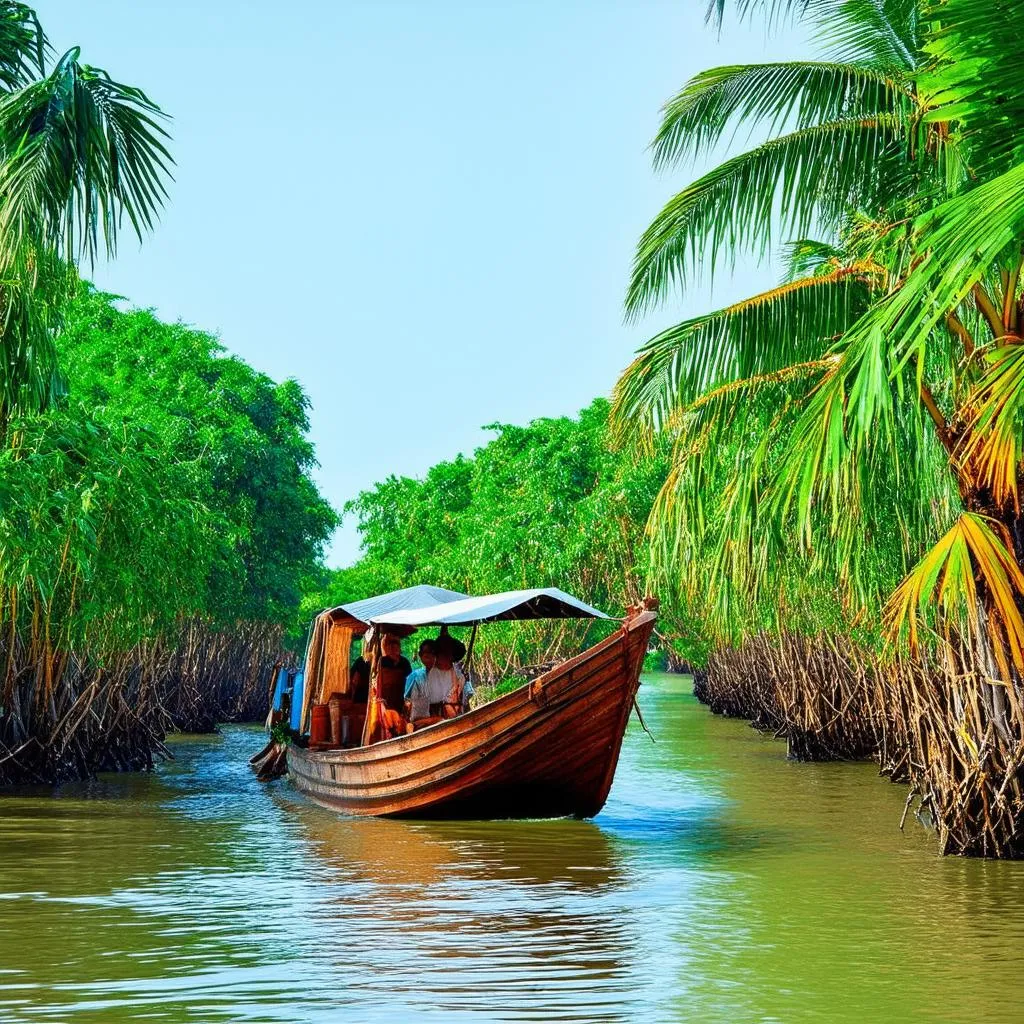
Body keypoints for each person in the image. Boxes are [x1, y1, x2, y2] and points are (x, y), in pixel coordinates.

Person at [404, 639, 437, 721]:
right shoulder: (414, 676)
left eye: (431, 652)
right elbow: (406, 701)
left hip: (440, 721)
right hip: (418, 722)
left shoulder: (442, 676)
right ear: (420, 656)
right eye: (425, 652)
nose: (428, 655)